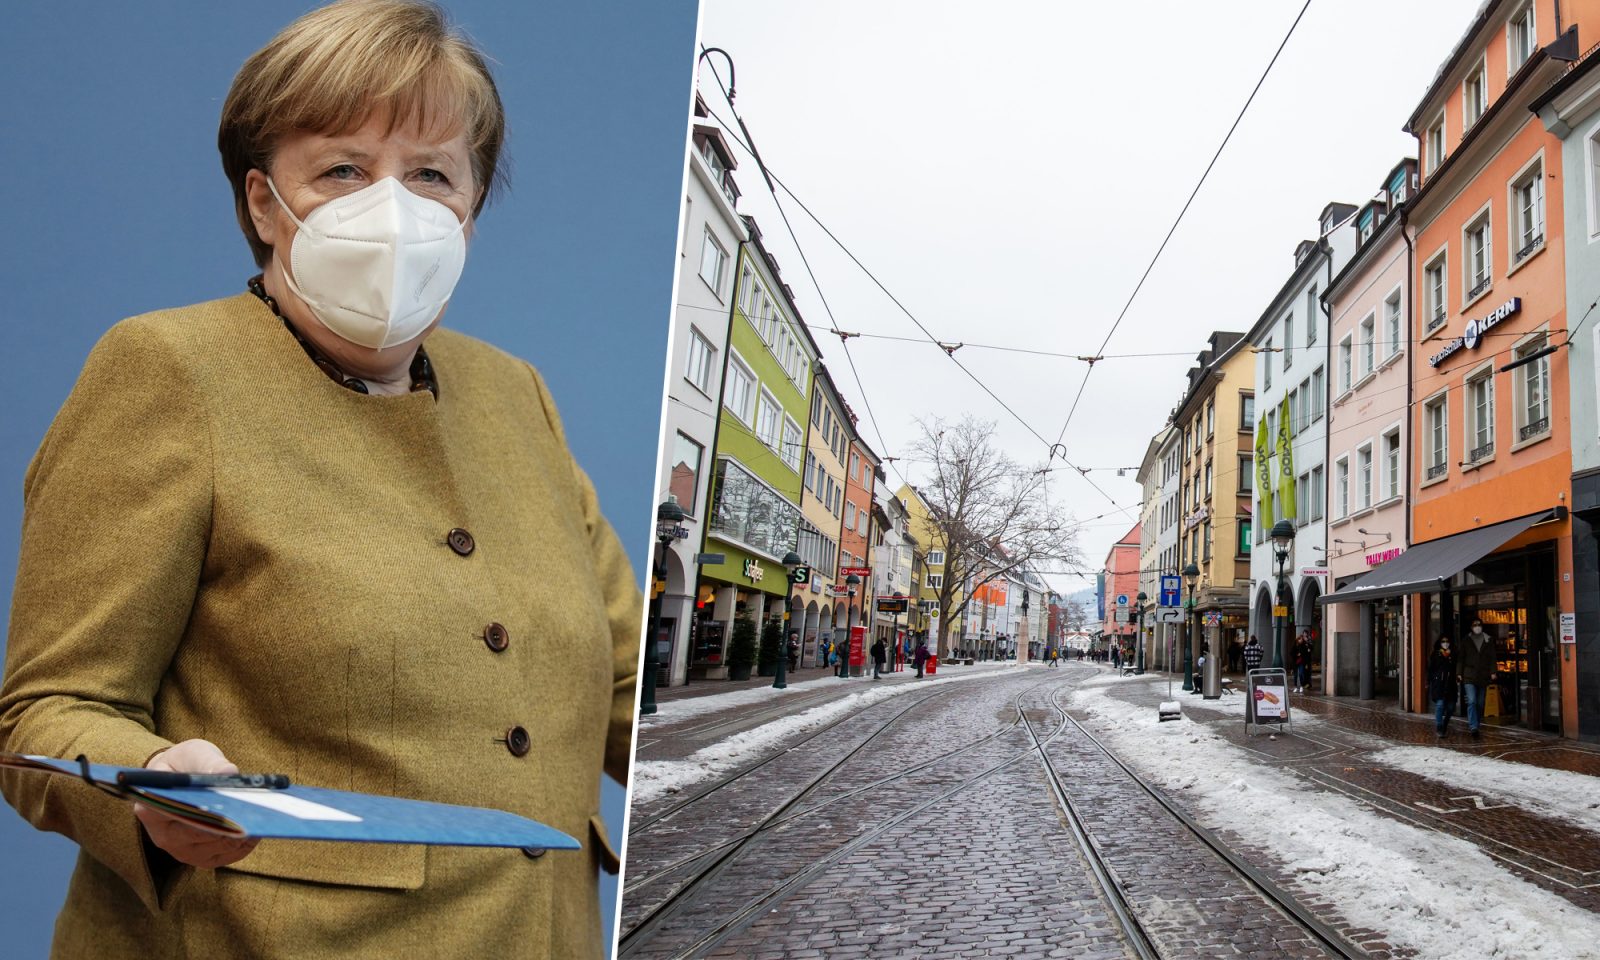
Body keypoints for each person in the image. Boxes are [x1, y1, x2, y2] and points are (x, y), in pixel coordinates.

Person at [0, 4, 638, 957]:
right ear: (265, 201)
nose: (394, 204)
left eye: (431, 173)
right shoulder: (168, 371)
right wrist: (155, 778)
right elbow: (46, 712)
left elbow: (627, 683)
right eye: (344, 168)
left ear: (470, 203)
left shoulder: (517, 394)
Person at [1458, 618, 1498, 739]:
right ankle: (1473, 726)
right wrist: (1459, 673)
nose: (1477, 627)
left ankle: (1476, 723)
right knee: (1472, 701)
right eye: (1475, 625)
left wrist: (1493, 672)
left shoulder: (1488, 640)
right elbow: (1461, 658)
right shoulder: (1466, 640)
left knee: (1480, 703)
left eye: (1479, 625)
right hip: (1469, 676)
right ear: (1471, 627)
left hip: (1483, 676)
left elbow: (1492, 657)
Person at [1428, 638, 1459, 739]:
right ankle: (1439, 727)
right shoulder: (1436, 655)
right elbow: (1431, 669)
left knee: (1450, 707)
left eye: (1447, 641)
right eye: (1443, 642)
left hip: (1451, 685)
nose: (1445, 643)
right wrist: (1429, 681)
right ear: (1440, 644)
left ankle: (1445, 723)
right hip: (1439, 684)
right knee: (1440, 705)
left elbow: (1456, 668)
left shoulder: (1453, 655)